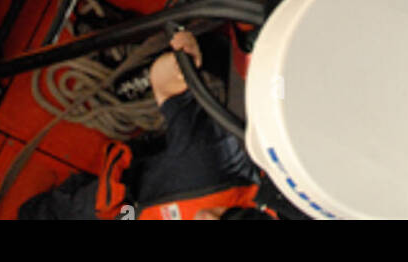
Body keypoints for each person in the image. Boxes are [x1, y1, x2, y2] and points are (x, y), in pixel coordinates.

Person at [17, 29, 276, 221]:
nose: (206, 219)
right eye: (220, 217)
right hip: (128, 201)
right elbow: (166, 83)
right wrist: (181, 64)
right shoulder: (213, 159)